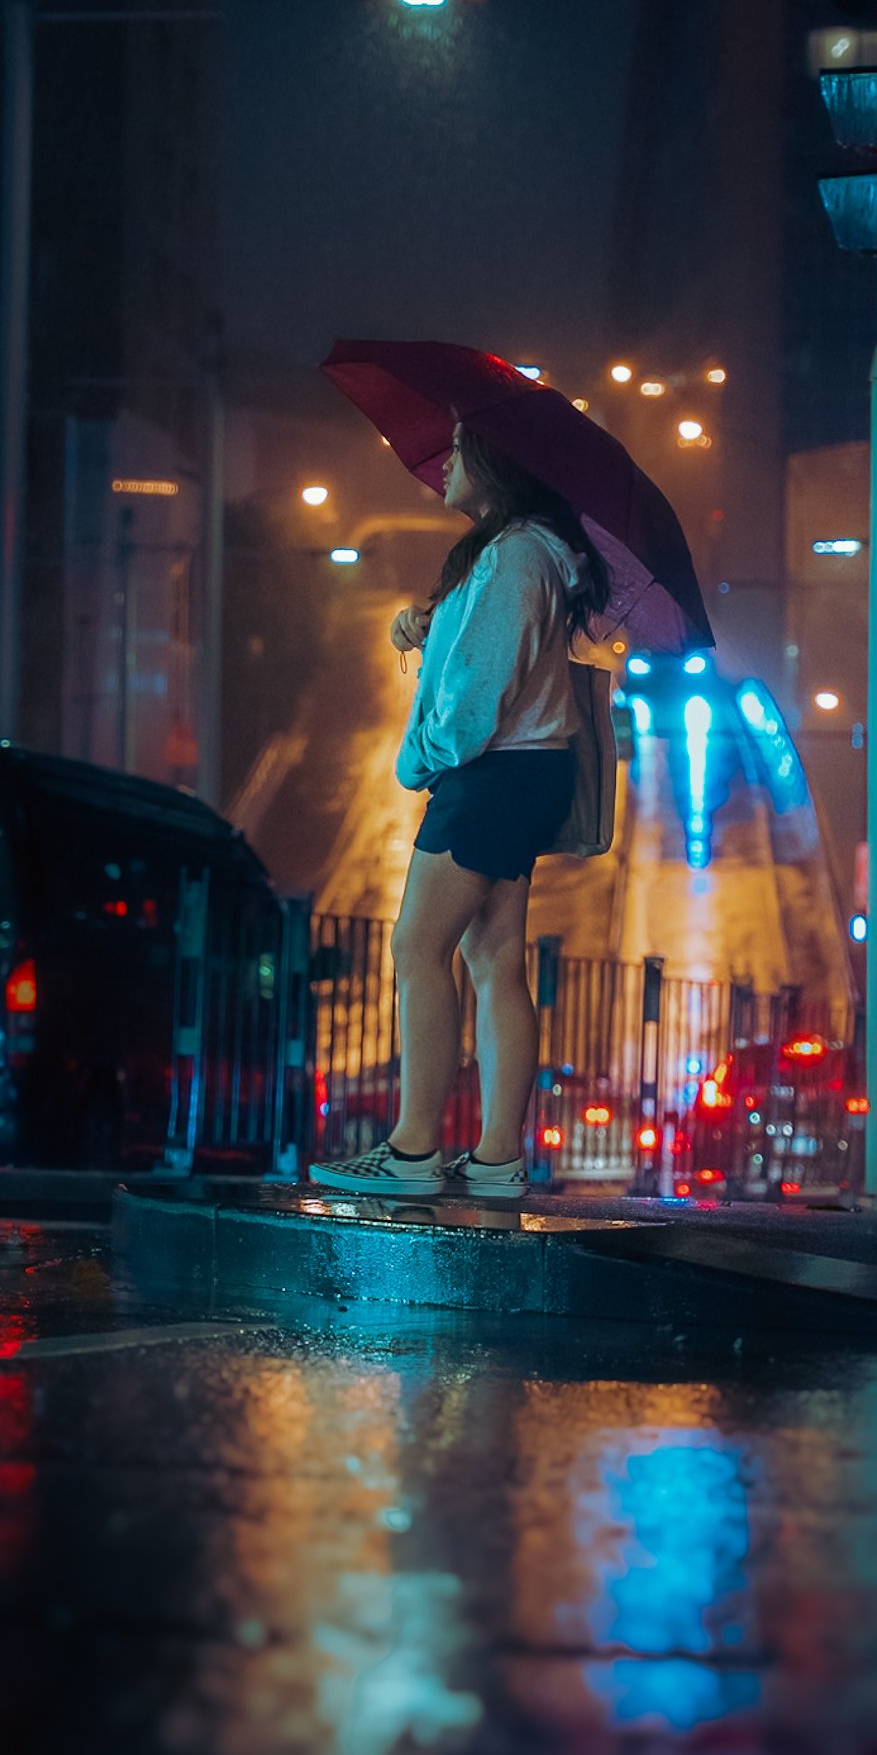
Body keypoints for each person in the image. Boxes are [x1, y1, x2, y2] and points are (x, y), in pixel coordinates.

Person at [308, 421, 609, 1201]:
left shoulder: (514, 557)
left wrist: (423, 758)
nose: (443, 463)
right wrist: (425, 623)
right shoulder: (519, 552)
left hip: (490, 774)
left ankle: (412, 1152)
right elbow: (481, 647)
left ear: (498, 463)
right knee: (494, 959)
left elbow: (478, 693)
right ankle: (497, 1159)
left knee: (417, 948)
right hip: (522, 772)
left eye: (460, 447)